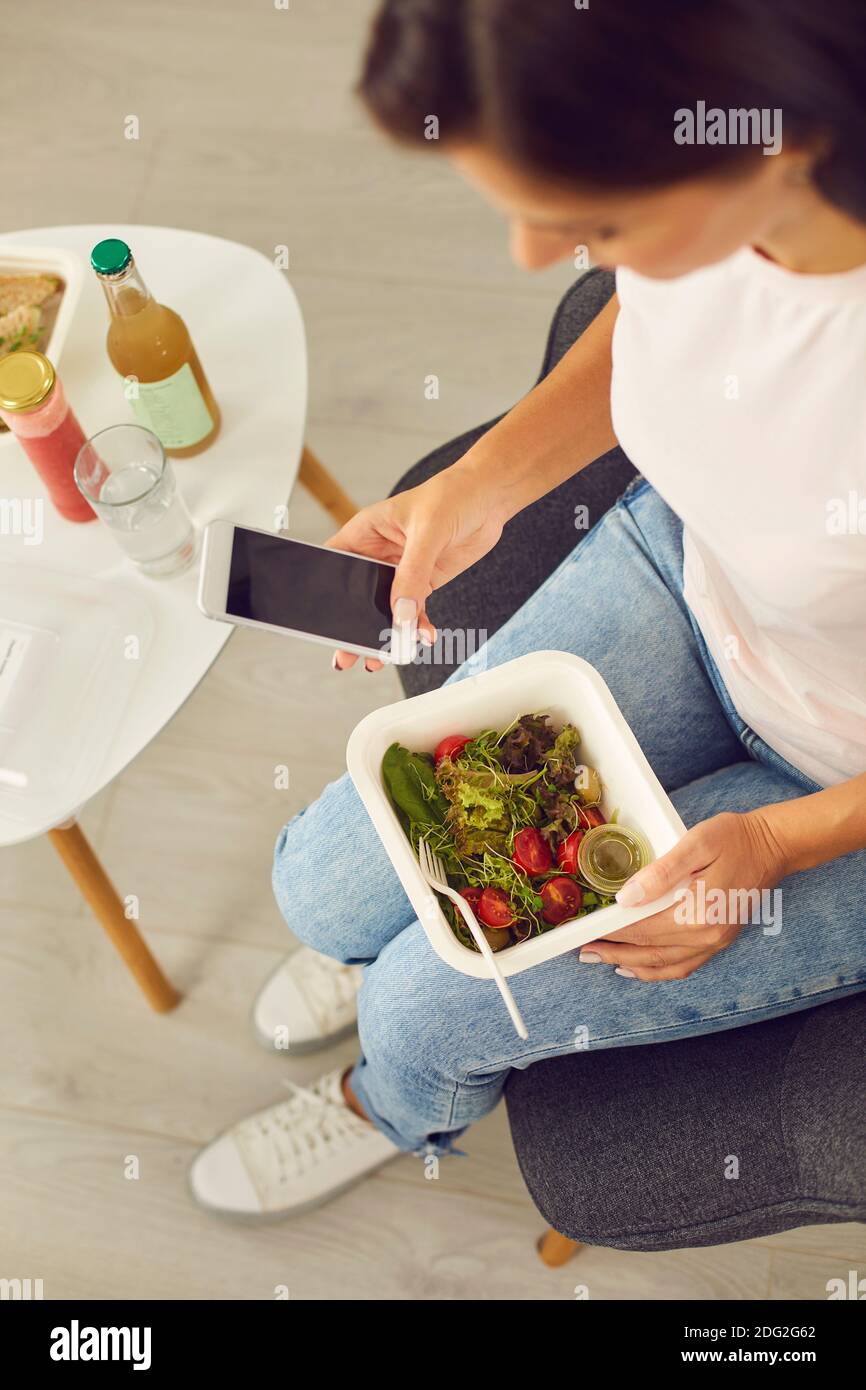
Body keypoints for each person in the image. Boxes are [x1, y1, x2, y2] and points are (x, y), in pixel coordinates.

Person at [190, 0, 866, 1218]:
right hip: (688, 575)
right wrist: (477, 488)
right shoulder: (736, 194)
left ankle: (394, 1102)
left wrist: (782, 842)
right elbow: (663, 327)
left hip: (839, 782)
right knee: (324, 886)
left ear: (771, 145)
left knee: (419, 1008)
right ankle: (382, 942)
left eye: (588, 217)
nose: (527, 252)